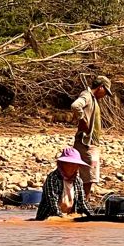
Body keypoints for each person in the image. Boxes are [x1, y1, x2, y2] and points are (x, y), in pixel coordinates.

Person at [71, 75, 112, 205]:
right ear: (101, 87)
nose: (105, 95)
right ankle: (83, 204)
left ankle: (81, 203)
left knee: (88, 176)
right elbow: (75, 105)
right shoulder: (87, 96)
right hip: (86, 144)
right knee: (89, 176)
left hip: (90, 143)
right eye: (106, 91)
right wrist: (82, 119)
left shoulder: (93, 99)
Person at [35, 147, 93, 220]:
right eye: (71, 164)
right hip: (49, 216)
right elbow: (53, 204)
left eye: (76, 165)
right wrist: (63, 218)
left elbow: (82, 203)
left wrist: (92, 217)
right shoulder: (53, 178)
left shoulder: (78, 181)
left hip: (68, 216)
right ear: (62, 164)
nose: (74, 168)